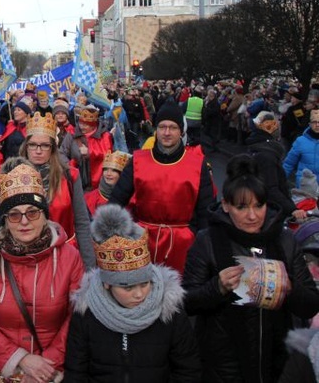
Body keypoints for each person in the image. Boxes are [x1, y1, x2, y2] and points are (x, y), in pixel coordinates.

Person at [182, 155, 319, 383]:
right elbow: (186, 301)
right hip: (223, 364)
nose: (252, 215)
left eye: (259, 205)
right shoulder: (208, 241)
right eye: (242, 207)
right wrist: (217, 287)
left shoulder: (284, 240)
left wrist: (289, 288)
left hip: (278, 359)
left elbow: (310, 305)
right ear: (226, 205)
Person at [0, 160, 84, 382]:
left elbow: (76, 318)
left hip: (51, 371)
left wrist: (45, 366)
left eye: (32, 212)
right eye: (14, 215)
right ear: (6, 221)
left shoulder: (70, 258)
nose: (24, 222)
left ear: (45, 214)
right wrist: (20, 360)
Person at [64, 204, 201, 382]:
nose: (139, 294)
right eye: (127, 288)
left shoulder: (170, 312)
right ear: (107, 284)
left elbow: (188, 371)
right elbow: (76, 373)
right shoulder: (86, 313)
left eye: (145, 284)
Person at [109, 103, 215, 274]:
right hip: (142, 240)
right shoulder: (138, 160)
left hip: (183, 244)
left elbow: (206, 210)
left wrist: (198, 240)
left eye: (172, 127)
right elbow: (116, 202)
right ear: (155, 130)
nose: (167, 133)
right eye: (162, 127)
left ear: (181, 131)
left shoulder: (197, 164)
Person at [20, 112, 95, 268]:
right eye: (33, 144)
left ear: (52, 148)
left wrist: (89, 268)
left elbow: (81, 223)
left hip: (65, 258)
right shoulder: (15, 176)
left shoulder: (69, 176)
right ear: (26, 147)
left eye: (45, 145)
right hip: (28, 259)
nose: (38, 150)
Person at [66, 105, 113, 191]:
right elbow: (63, 152)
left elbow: (108, 155)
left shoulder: (105, 136)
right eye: (80, 123)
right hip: (77, 178)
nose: (82, 127)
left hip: (97, 180)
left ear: (93, 125)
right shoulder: (72, 133)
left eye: (85, 125)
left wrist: (90, 152)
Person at [84, 150, 132, 216]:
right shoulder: (89, 198)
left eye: (114, 170)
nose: (108, 174)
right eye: (106, 169)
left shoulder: (131, 199)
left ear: (122, 174)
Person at [283, 109, 319, 189]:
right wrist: (279, 181)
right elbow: (289, 164)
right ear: (309, 124)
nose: (317, 125)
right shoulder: (300, 141)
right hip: (305, 186)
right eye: (314, 122)